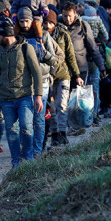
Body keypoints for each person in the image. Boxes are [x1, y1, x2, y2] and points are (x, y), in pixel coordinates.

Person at [0, 15, 42, 168]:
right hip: (6, 98)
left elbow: (36, 72)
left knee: (26, 127)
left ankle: (28, 158)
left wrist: (38, 96)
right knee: (11, 131)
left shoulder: (26, 48)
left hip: (24, 96)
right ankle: (16, 163)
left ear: (6, 34)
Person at [14, 7, 61, 157]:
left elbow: (54, 60)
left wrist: (42, 52)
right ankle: (26, 150)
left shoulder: (44, 36)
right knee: (24, 119)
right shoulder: (16, 37)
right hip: (23, 82)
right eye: (21, 21)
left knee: (39, 118)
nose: (25, 24)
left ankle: (37, 151)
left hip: (42, 80)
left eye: (27, 21)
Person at [60, 2, 106, 123]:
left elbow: (93, 48)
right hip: (63, 70)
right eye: (65, 16)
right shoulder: (58, 27)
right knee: (65, 99)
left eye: (70, 15)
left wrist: (101, 66)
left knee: (78, 99)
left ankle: (80, 123)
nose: (68, 19)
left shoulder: (83, 26)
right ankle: (69, 125)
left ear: (75, 13)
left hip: (81, 69)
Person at [43, 10, 81, 146]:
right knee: (52, 108)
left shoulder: (63, 34)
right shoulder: (40, 35)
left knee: (62, 104)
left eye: (50, 23)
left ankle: (63, 133)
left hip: (63, 75)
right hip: (48, 77)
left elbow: (70, 56)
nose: (47, 26)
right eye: (45, 23)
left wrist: (76, 75)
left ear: (54, 22)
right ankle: (54, 135)